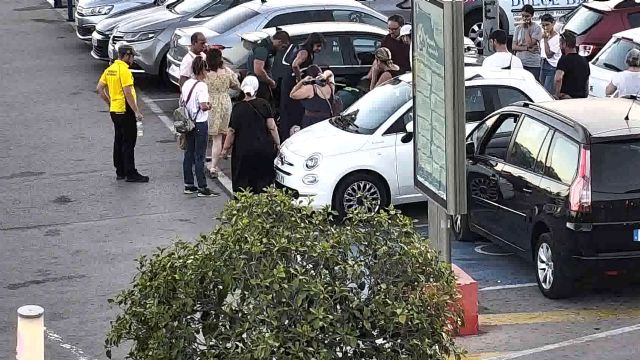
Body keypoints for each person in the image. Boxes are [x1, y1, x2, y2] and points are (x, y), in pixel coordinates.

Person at [96, 44, 149, 183]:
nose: (132, 59)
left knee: (118, 139)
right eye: (131, 56)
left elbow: (100, 88)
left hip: (114, 110)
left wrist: (109, 102)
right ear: (126, 56)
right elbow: (127, 93)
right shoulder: (124, 71)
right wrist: (136, 111)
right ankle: (131, 173)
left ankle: (120, 170)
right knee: (129, 142)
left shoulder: (110, 69)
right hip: (125, 110)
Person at [221, 76, 280, 194]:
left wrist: (225, 149)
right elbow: (272, 127)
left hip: (243, 151)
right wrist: (278, 144)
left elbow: (231, 131)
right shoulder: (264, 104)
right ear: (257, 88)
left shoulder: (237, 107)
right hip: (264, 148)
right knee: (264, 181)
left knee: (243, 183)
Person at [181, 56, 219, 197]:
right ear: (202, 70)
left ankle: (189, 184)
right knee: (200, 156)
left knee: (188, 153)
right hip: (200, 123)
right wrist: (210, 105)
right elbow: (203, 106)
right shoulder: (202, 86)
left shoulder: (187, 84)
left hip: (188, 122)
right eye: (206, 69)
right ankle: (202, 187)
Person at [279, 32, 326, 142]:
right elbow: (295, 64)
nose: (319, 49)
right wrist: (299, 80)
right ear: (312, 43)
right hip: (292, 84)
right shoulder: (304, 52)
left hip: (290, 83)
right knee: (292, 109)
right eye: (318, 46)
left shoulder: (304, 50)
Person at [204, 47, 241, 179]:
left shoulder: (205, 73)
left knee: (211, 134)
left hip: (210, 102)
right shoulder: (226, 71)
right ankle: (214, 165)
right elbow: (236, 85)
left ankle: (205, 161)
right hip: (225, 102)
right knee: (220, 134)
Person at [246, 30, 291, 104]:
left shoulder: (268, 48)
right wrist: (271, 82)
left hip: (259, 84)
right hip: (258, 85)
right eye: (283, 47)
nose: (282, 49)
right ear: (279, 42)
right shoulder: (263, 49)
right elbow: (258, 70)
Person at [290, 65, 336, 129]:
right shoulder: (330, 86)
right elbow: (330, 74)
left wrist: (302, 81)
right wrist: (324, 76)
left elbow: (292, 94)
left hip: (312, 122)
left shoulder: (310, 88)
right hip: (327, 120)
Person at [553, 33, 590, 99]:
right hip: (580, 99)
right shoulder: (584, 61)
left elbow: (558, 78)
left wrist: (556, 94)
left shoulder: (564, 60)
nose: (559, 46)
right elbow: (586, 82)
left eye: (560, 44)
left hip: (566, 98)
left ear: (565, 44)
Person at [512, 5, 543, 79]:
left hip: (533, 63)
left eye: (527, 16)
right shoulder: (518, 28)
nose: (525, 18)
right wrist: (527, 49)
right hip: (520, 62)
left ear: (532, 16)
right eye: (523, 16)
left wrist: (526, 30)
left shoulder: (537, 28)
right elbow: (514, 46)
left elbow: (530, 44)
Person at [539, 14, 561, 93]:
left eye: (547, 25)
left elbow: (549, 54)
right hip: (543, 63)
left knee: (547, 91)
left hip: (551, 66)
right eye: (543, 25)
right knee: (541, 89)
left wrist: (545, 40)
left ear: (553, 23)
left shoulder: (557, 38)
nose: (545, 28)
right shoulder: (544, 35)